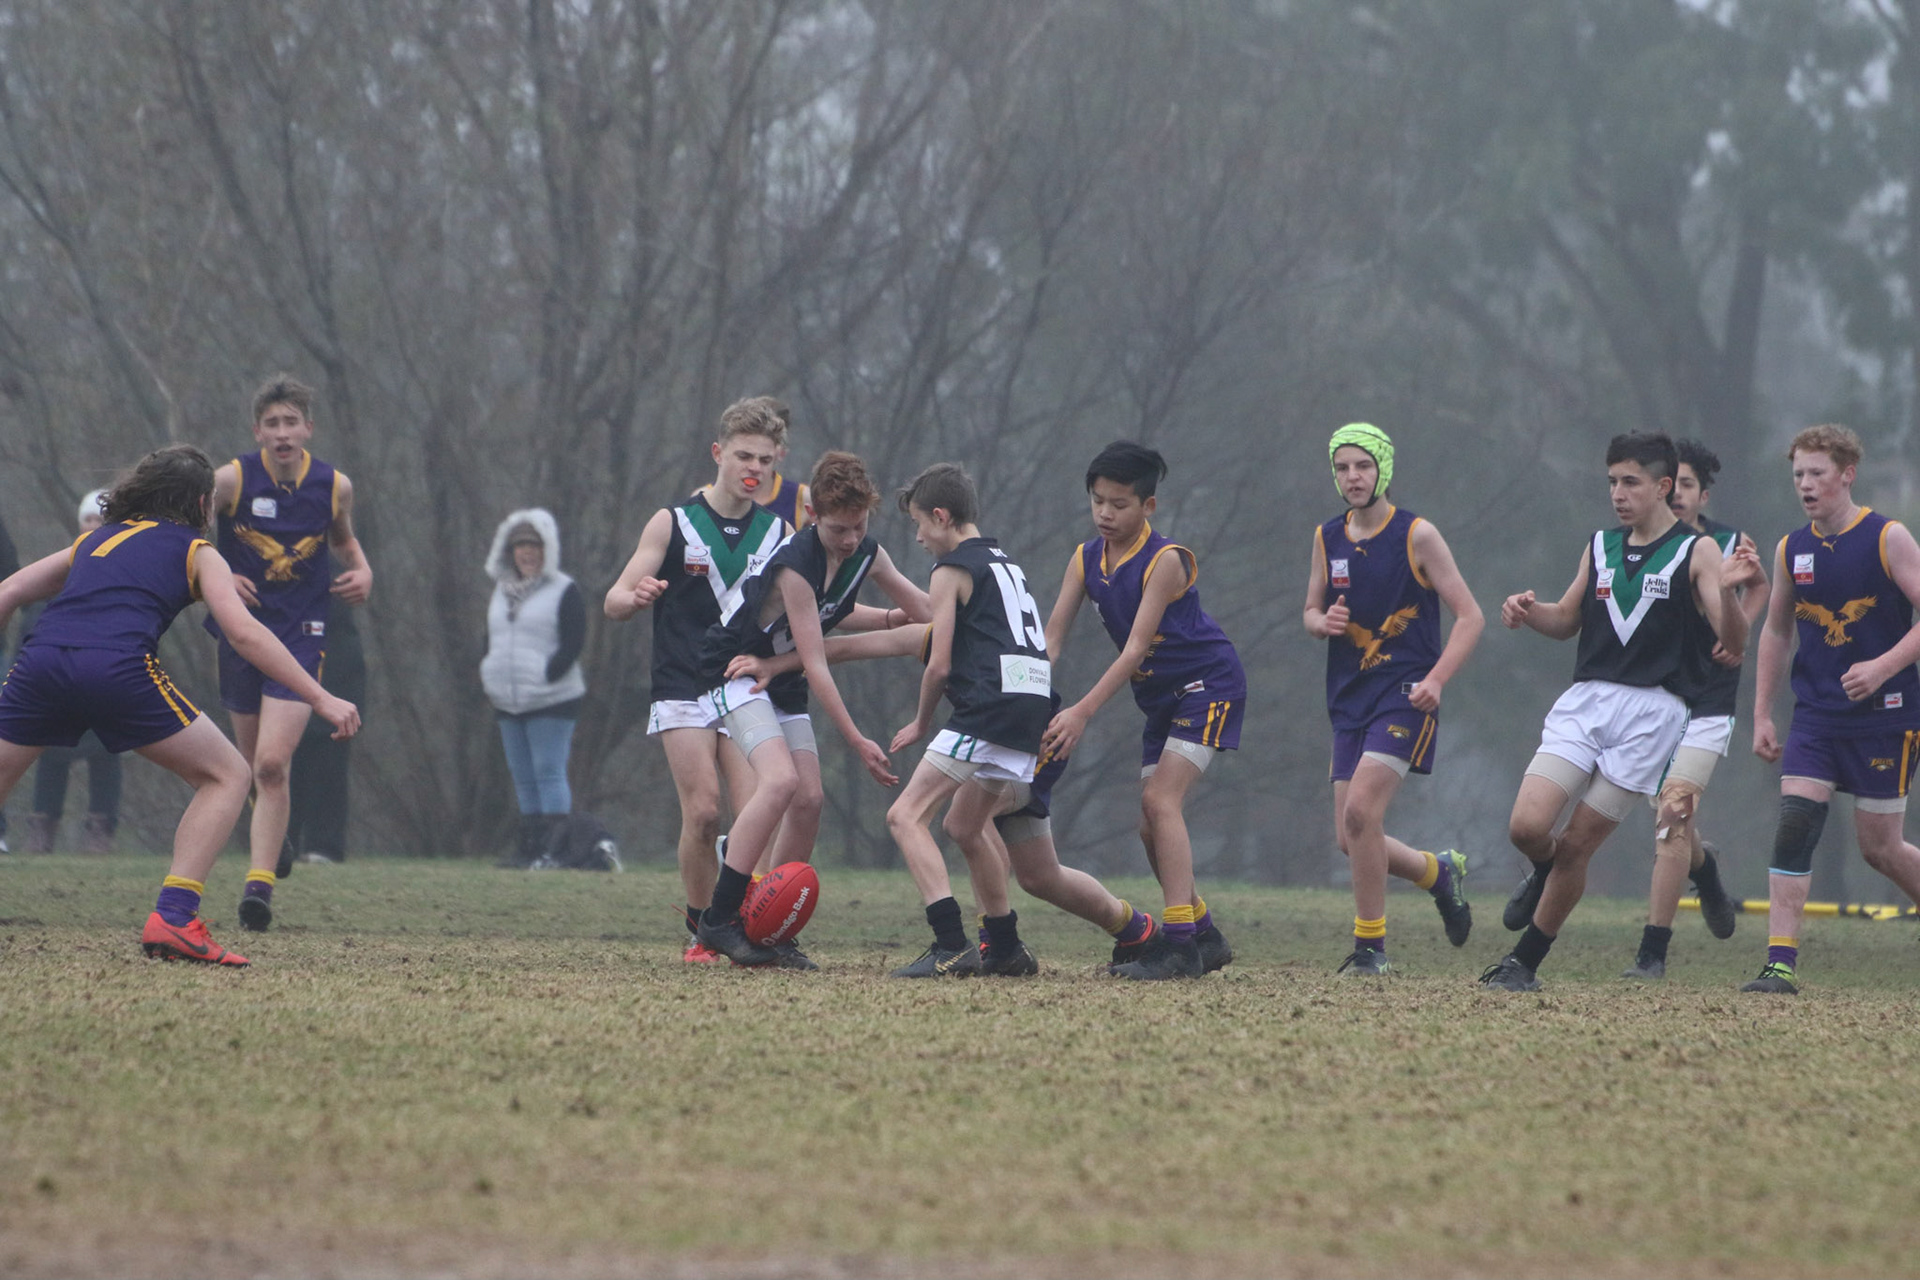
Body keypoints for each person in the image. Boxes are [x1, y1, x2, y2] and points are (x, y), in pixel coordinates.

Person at [0, 445, 359, 965]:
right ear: (202, 502)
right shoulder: (198, 550)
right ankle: (174, 918)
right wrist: (320, 696)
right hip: (116, 668)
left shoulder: (96, 538)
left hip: (41, 665)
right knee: (227, 775)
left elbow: (8, 591)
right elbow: (244, 634)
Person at [725, 626, 1162, 973]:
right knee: (1041, 876)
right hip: (1003, 743)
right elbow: (847, 647)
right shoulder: (938, 631)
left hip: (1031, 743)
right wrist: (775, 663)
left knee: (963, 822)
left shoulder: (985, 630)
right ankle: (1137, 930)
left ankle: (995, 940)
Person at [1485, 432, 1750, 991]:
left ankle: (1523, 963)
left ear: (1661, 486)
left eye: (1630, 482)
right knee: (1527, 827)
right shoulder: (1600, 546)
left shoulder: (1697, 550)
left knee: (1577, 846)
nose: (1618, 494)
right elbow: (1566, 618)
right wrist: (1527, 613)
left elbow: (1734, 641)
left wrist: (1728, 592)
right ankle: (1543, 869)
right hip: (1587, 704)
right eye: (1612, 482)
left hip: (1652, 718)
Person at [692, 450, 930, 968]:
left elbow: (923, 608)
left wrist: (965, 612)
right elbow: (817, 661)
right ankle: (720, 919)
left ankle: (767, 928)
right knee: (780, 782)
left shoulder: (866, 551)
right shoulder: (796, 565)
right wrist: (857, 740)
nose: (850, 539)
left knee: (810, 799)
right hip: (735, 668)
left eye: (859, 526)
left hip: (781, 677)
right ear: (813, 515)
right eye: (839, 529)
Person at [1041, 441, 1245, 980]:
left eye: (1119, 504)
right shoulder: (1085, 559)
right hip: (1161, 700)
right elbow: (1051, 641)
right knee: (1149, 826)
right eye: (1097, 501)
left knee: (1160, 801)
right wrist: (1019, 684)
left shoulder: (1166, 561)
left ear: (1148, 506)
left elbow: (1134, 650)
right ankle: (1204, 935)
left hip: (1208, 685)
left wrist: (1081, 712)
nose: (1105, 514)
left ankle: (1178, 948)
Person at [605, 398, 792, 960]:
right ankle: (702, 928)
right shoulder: (673, 521)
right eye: (743, 456)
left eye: (764, 459)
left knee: (756, 811)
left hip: (739, 687)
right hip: (682, 684)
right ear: (718, 453)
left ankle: (746, 924)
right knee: (705, 812)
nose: (753, 469)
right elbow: (614, 600)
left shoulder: (779, 532)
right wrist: (635, 597)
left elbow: (806, 611)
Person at [1743, 424, 1920, 995]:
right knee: (1796, 823)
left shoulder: (1887, 537)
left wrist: (1883, 667)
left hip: (1888, 714)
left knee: (1880, 849)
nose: (1806, 484)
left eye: (1817, 473)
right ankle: (1779, 965)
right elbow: (1776, 631)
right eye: (1798, 474)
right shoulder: (1790, 549)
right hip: (1816, 715)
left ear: (1847, 474)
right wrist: (1762, 714)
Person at [865, 463, 1059, 977]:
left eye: (918, 524)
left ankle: (950, 944)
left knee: (905, 816)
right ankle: (1006, 946)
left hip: (990, 707)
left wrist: (921, 722)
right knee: (965, 826)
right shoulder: (1006, 563)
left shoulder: (951, 569)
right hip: (1031, 704)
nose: (919, 537)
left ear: (941, 516)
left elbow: (939, 663)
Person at [1303, 424, 1482, 976]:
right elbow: (1309, 611)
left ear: (1383, 468)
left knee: (1362, 813)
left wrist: (1437, 680)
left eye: (1363, 465)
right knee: (1349, 837)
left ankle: (1370, 949)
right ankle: (1438, 874)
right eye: (1342, 468)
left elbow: (1470, 617)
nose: (1352, 477)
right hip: (1349, 697)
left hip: (1405, 696)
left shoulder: (1417, 535)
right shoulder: (1326, 537)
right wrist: (1322, 623)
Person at [206, 374, 372, 931]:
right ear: (257, 431)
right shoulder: (230, 480)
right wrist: (221, 573)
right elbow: (187, 533)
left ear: (308, 428)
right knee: (250, 766)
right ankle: (272, 836)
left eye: (291, 422)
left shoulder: (333, 486)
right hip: (241, 630)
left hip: (302, 633)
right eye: (272, 423)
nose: (282, 433)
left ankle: (258, 889)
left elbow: (342, 539)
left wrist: (362, 568)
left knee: (273, 764)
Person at [1611, 440, 1763, 979]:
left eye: (1688, 485)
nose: (1677, 494)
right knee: (1669, 814)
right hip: (1657, 700)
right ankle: (1707, 869)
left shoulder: (1727, 544)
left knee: (1673, 813)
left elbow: (1759, 587)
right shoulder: (1632, 544)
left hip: (1709, 700)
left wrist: (1737, 627)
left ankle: (1652, 953)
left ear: (1703, 494)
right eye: (1671, 485)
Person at [482, 509, 586, 867]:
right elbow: (491, 637)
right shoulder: (500, 591)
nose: (527, 552)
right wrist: (490, 671)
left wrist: (546, 676)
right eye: (520, 545)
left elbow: (574, 641)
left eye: (534, 545)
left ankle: (555, 851)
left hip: (552, 699)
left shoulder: (564, 589)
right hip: (507, 701)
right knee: (523, 777)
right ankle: (529, 849)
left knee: (548, 771)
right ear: (509, 550)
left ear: (548, 548)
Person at [24, 490, 123, 854]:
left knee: (107, 750)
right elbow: (33, 619)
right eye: (88, 519)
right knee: (50, 750)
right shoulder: (60, 567)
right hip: (57, 676)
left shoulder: (126, 571)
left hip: (105, 676)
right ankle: (42, 827)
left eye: (101, 520)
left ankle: (101, 829)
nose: (93, 526)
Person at [283, 603, 365, 866]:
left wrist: (365, 578)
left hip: (334, 664)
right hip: (284, 651)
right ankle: (279, 844)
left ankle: (323, 848)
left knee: (330, 756)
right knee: (279, 761)